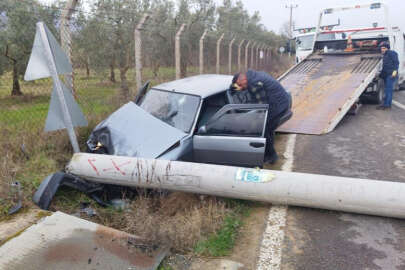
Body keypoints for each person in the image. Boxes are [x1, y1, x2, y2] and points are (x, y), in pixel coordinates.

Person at [230, 70, 291, 164]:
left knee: (263, 129)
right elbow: (245, 88)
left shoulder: (254, 84)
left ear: (244, 79)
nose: (241, 87)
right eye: (239, 86)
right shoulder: (251, 76)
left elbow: (262, 106)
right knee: (269, 128)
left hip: (278, 105)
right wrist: (234, 88)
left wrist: (254, 120)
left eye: (241, 85)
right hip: (281, 101)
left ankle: (271, 156)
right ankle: (269, 153)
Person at [377, 41, 399, 110]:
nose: (382, 49)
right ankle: (385, 104)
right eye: (381, 48)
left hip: (391, 75)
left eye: (383, 48)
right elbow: (385, 66)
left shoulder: (392, 53)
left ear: (387, 48)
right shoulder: (385, 55)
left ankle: (387, 105)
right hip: (386, 75)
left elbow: (396, 63)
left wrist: (394, 73)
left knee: (388, 90)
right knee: (387, 90)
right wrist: (381, 75)